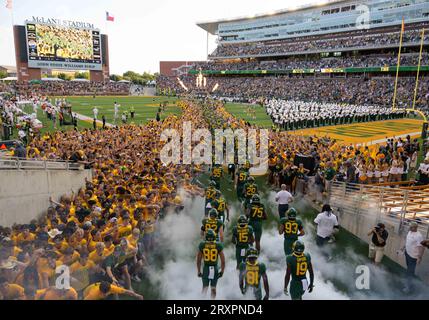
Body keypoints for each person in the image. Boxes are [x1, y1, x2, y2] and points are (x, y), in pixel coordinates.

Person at [196, 229, 225, 299]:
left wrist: (199, 271)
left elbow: (198, 260)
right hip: (214, 268)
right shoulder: (218, 245)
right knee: (213, 288)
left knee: (205, 287)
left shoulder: (202, 245)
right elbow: (223, 261)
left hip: (206, 268)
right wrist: (222, 271)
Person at [401, 222, 425, 293]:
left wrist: (419, 258)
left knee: (410, 272)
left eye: (411, 227)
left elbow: (422, 247)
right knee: (409, 270)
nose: (409, 228)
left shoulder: (419, 236)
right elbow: (407, 241)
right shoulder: (410, 232)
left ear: (415, 227)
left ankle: (408, 287)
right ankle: (409, 283)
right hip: (407, 254)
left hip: (413, 257)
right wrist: (403, 247)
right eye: (410, 227)